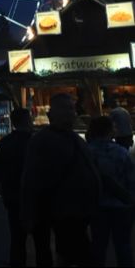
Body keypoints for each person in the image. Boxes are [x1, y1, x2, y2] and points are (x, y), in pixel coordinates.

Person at [21, 93, 101, 267]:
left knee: (72, 254)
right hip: (60, 212)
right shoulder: (41, 141)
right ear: (51, 115)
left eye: (72, 108)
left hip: (76, 213)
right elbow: (31, 179)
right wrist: (29, 213)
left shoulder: (76, 140)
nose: (70, 113)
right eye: (65, 109)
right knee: (71, 254)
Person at [0, 108, 50, 267]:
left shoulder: (4, 143)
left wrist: (4, 193)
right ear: (28, 120)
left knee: (17, 241)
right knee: (42, 244)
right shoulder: (37, 141)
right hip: (38, 199)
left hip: (14, 198)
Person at [87, 115, 135, 267]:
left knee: (98, 245)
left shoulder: (86, 152)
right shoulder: (121, 152)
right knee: (123, 246)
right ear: (108, 131)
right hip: (121, 206)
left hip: (96, 206)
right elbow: (131, 180)